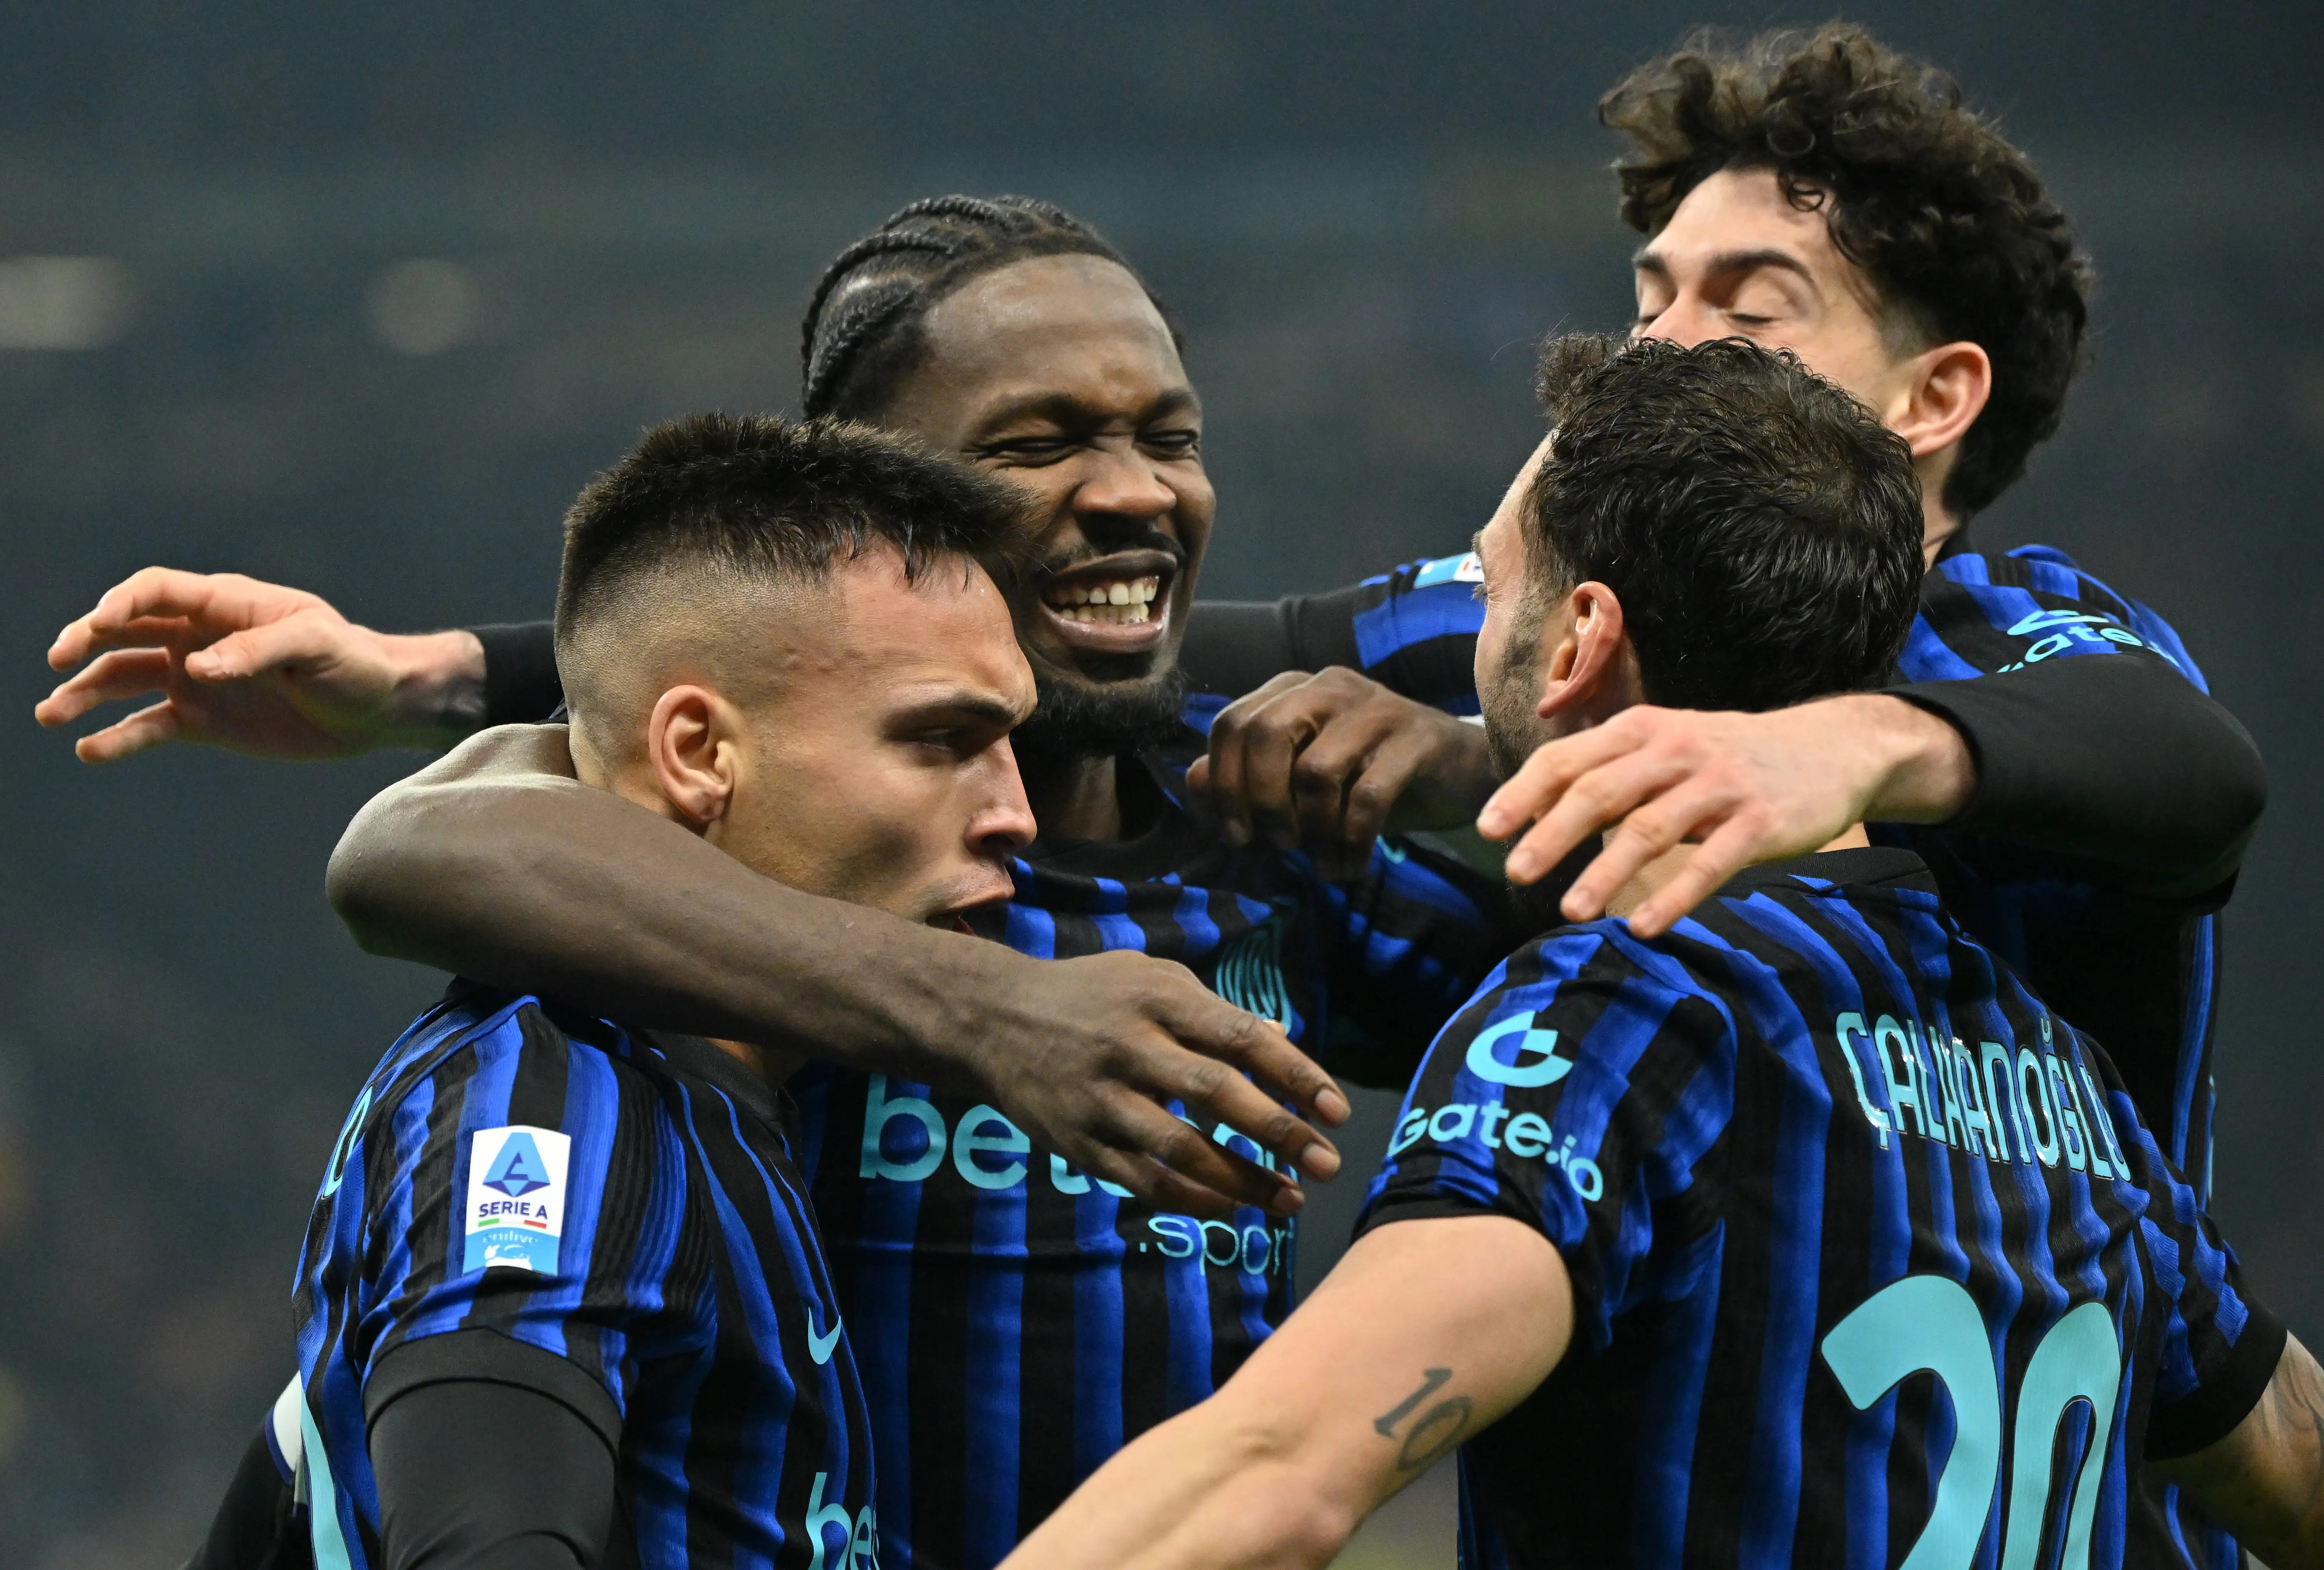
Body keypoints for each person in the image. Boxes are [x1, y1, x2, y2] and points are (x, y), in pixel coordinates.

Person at [131, 197, 1512, 1570]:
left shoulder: (1266, 805)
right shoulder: (686, 949)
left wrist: (1475, 761)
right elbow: (417, 845)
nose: (1133, 489)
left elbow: (1567, 762)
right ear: (878, 494)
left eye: (1171, 436)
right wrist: (985, 1009)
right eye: (1035, 445)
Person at [1000, 332, 2322, 1570]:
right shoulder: (2066, 1081)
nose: (1475, 630)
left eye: (1491, 584)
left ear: (1580, 637)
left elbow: (1282, 1468)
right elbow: (2300, 1466)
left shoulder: (1627, 1014)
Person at [295, 410, 1058, 1569]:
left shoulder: (727, 1091)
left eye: (1010, 746)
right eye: (943, 740)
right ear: (699, 754)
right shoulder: (555, 1108)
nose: (1017, 814)